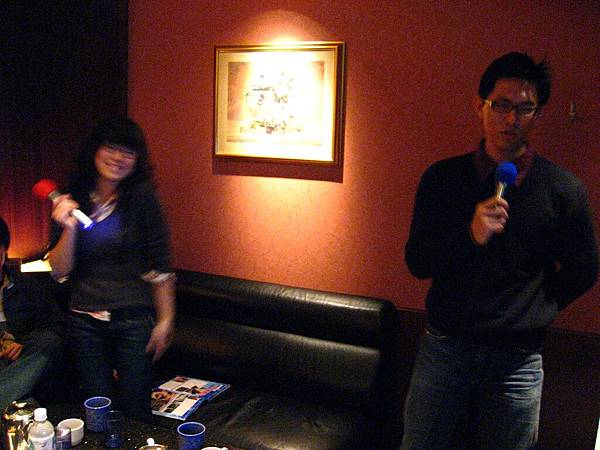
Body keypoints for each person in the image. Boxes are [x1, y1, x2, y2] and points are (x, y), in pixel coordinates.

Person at [402, 52, 598, 449]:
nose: (512, 119)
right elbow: (417, 260)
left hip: (517, 361)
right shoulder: (443, 178)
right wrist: (469, 235)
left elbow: (585, 268)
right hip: (445, 348)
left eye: (525, 109)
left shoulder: (562, 189)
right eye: (502, 105)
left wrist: (535, 306)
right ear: (480, 105)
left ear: (538, 114)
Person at [49, 117, 175, 421]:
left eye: (128, 152)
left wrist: (165, 320)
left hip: (133, 319)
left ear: (137, 159)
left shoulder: (142, 199)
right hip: (83, 320)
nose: (119, 158)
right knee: (96, 409)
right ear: (95, 149)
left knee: (135, 407)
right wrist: (69, 228)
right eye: (111, 148)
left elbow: (160, 267)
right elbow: (59, 270)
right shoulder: (72, 197)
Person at [0, 217, 63, 411]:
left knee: (48, 342)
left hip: (23, 360)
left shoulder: (25, 285)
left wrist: (19, 343)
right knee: (28, 407)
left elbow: (55, 324)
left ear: (4, 252)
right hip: (14, 371)